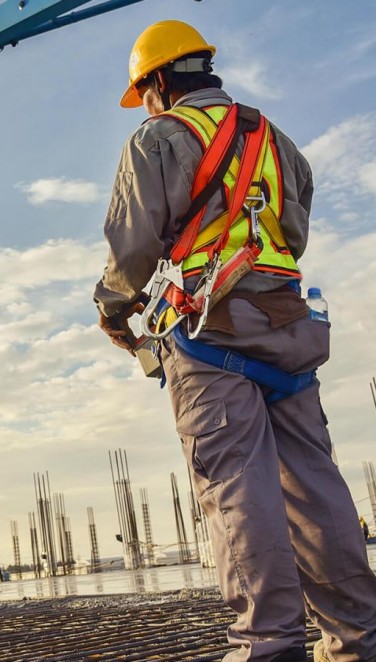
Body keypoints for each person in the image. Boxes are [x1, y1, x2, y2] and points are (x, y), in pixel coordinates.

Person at [92, 19, 376, 662]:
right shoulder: (279, 141)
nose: (146, 106)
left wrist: (113, 308)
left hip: (208, 333)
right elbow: (293, 234)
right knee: (316, 487)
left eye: (146, 94)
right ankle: (359, 640)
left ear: (158, 81)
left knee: (236, 492)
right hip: (289, 329)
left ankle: (267, 647)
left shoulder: (159, 138)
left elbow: (133, 245)